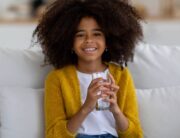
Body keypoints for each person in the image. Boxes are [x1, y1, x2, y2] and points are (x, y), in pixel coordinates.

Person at [33, 0, 143, 137]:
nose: (88, 40)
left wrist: (115, 109)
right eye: (80, 35)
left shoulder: (121, 75)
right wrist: (87, 106)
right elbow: (54, 135)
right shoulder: (57, 79)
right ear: (69, 42)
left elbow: (135, 134)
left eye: (97, 34)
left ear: (107, 41)